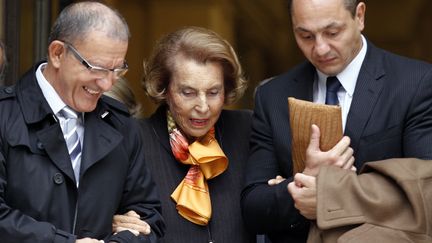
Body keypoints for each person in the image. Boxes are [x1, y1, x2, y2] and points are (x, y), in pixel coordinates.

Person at [241, 0, 432, 242]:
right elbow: (253, 208)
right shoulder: (272, 96)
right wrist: (303, 183)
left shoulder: (415, 83)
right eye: (306, 36)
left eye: (332, 33)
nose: (320, 49)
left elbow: (426, 191)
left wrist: (328, 195)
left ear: (360, 16)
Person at [0, 2, 164, 243]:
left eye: (117, 70)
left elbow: (150, 218)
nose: (108, 84)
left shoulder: (121, 125)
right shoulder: (5, 114)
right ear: (58, 53)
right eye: (97, 68)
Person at [113, 26, 255, 242]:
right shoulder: (133, 139)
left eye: (213, 92)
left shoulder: (247, 130)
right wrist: (112, 221)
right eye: (188, 93)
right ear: (164, 88)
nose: (203, 106)